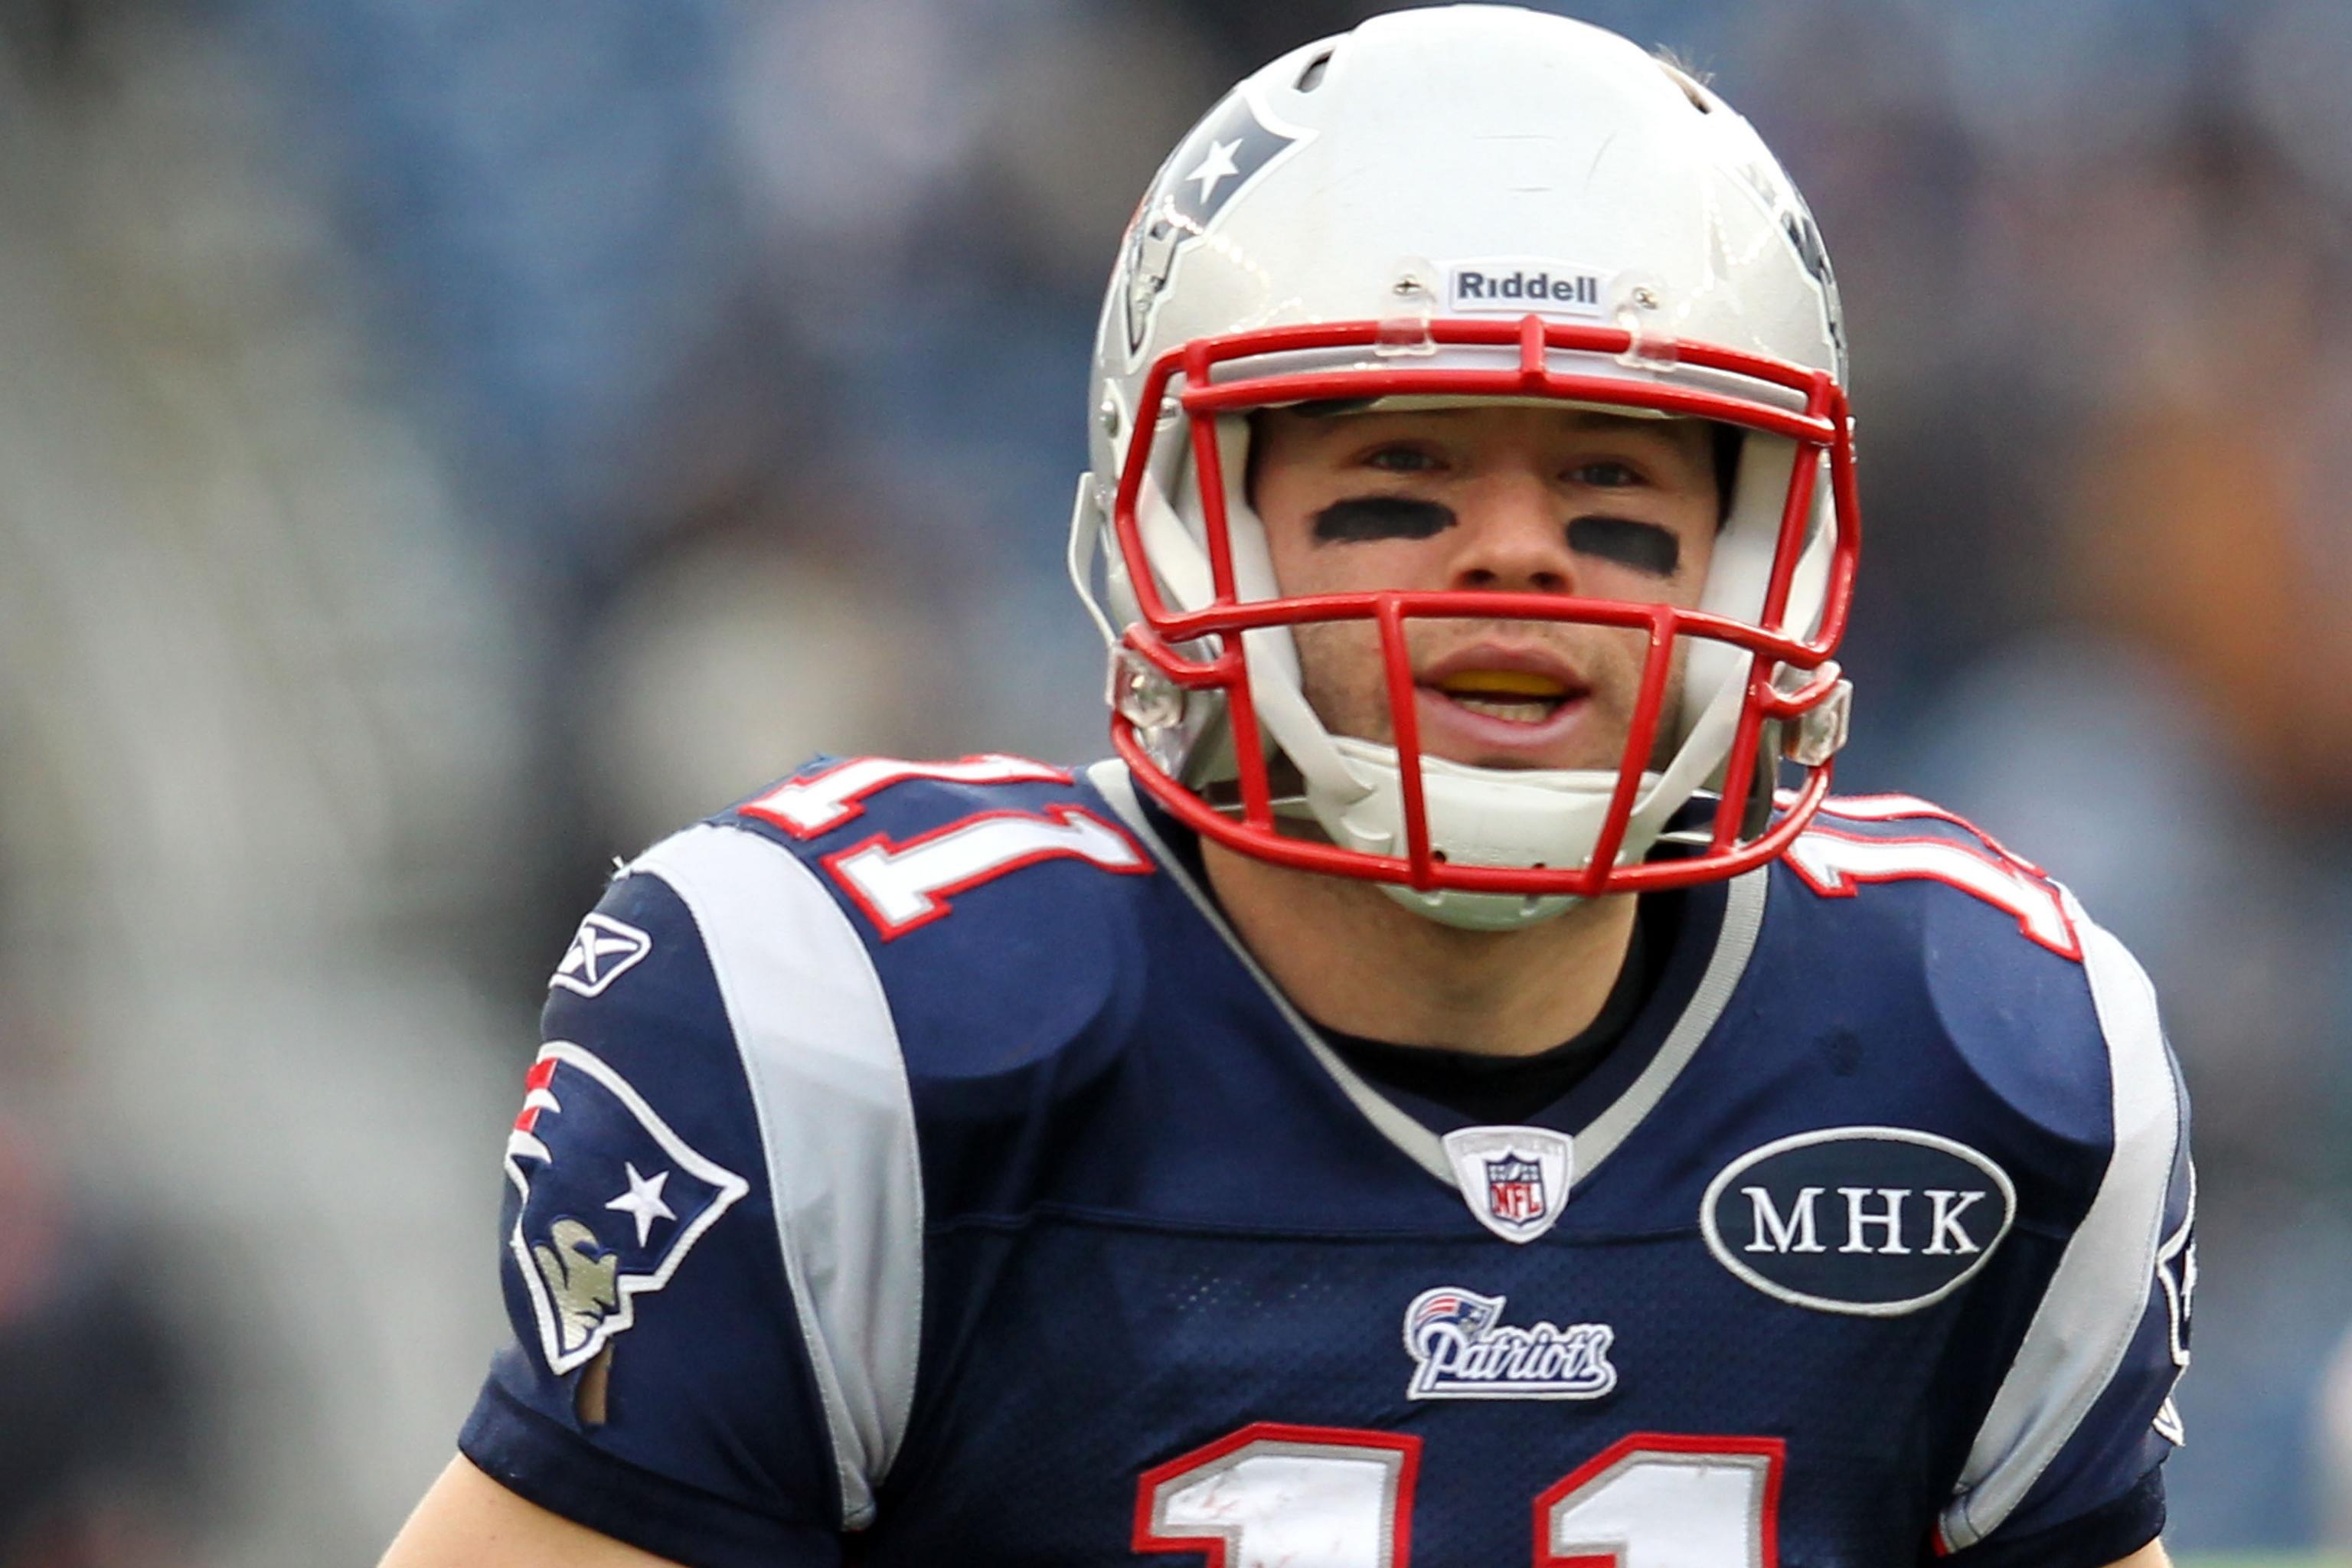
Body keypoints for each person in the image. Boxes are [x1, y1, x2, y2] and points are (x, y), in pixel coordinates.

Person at [381, 8, 2193, 1566]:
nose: (1514, 564)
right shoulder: (852, 1028)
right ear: (1188, 523)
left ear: (1750, 567)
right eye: (1399, 484)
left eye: (1614, 501)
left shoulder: (1986, 1059)